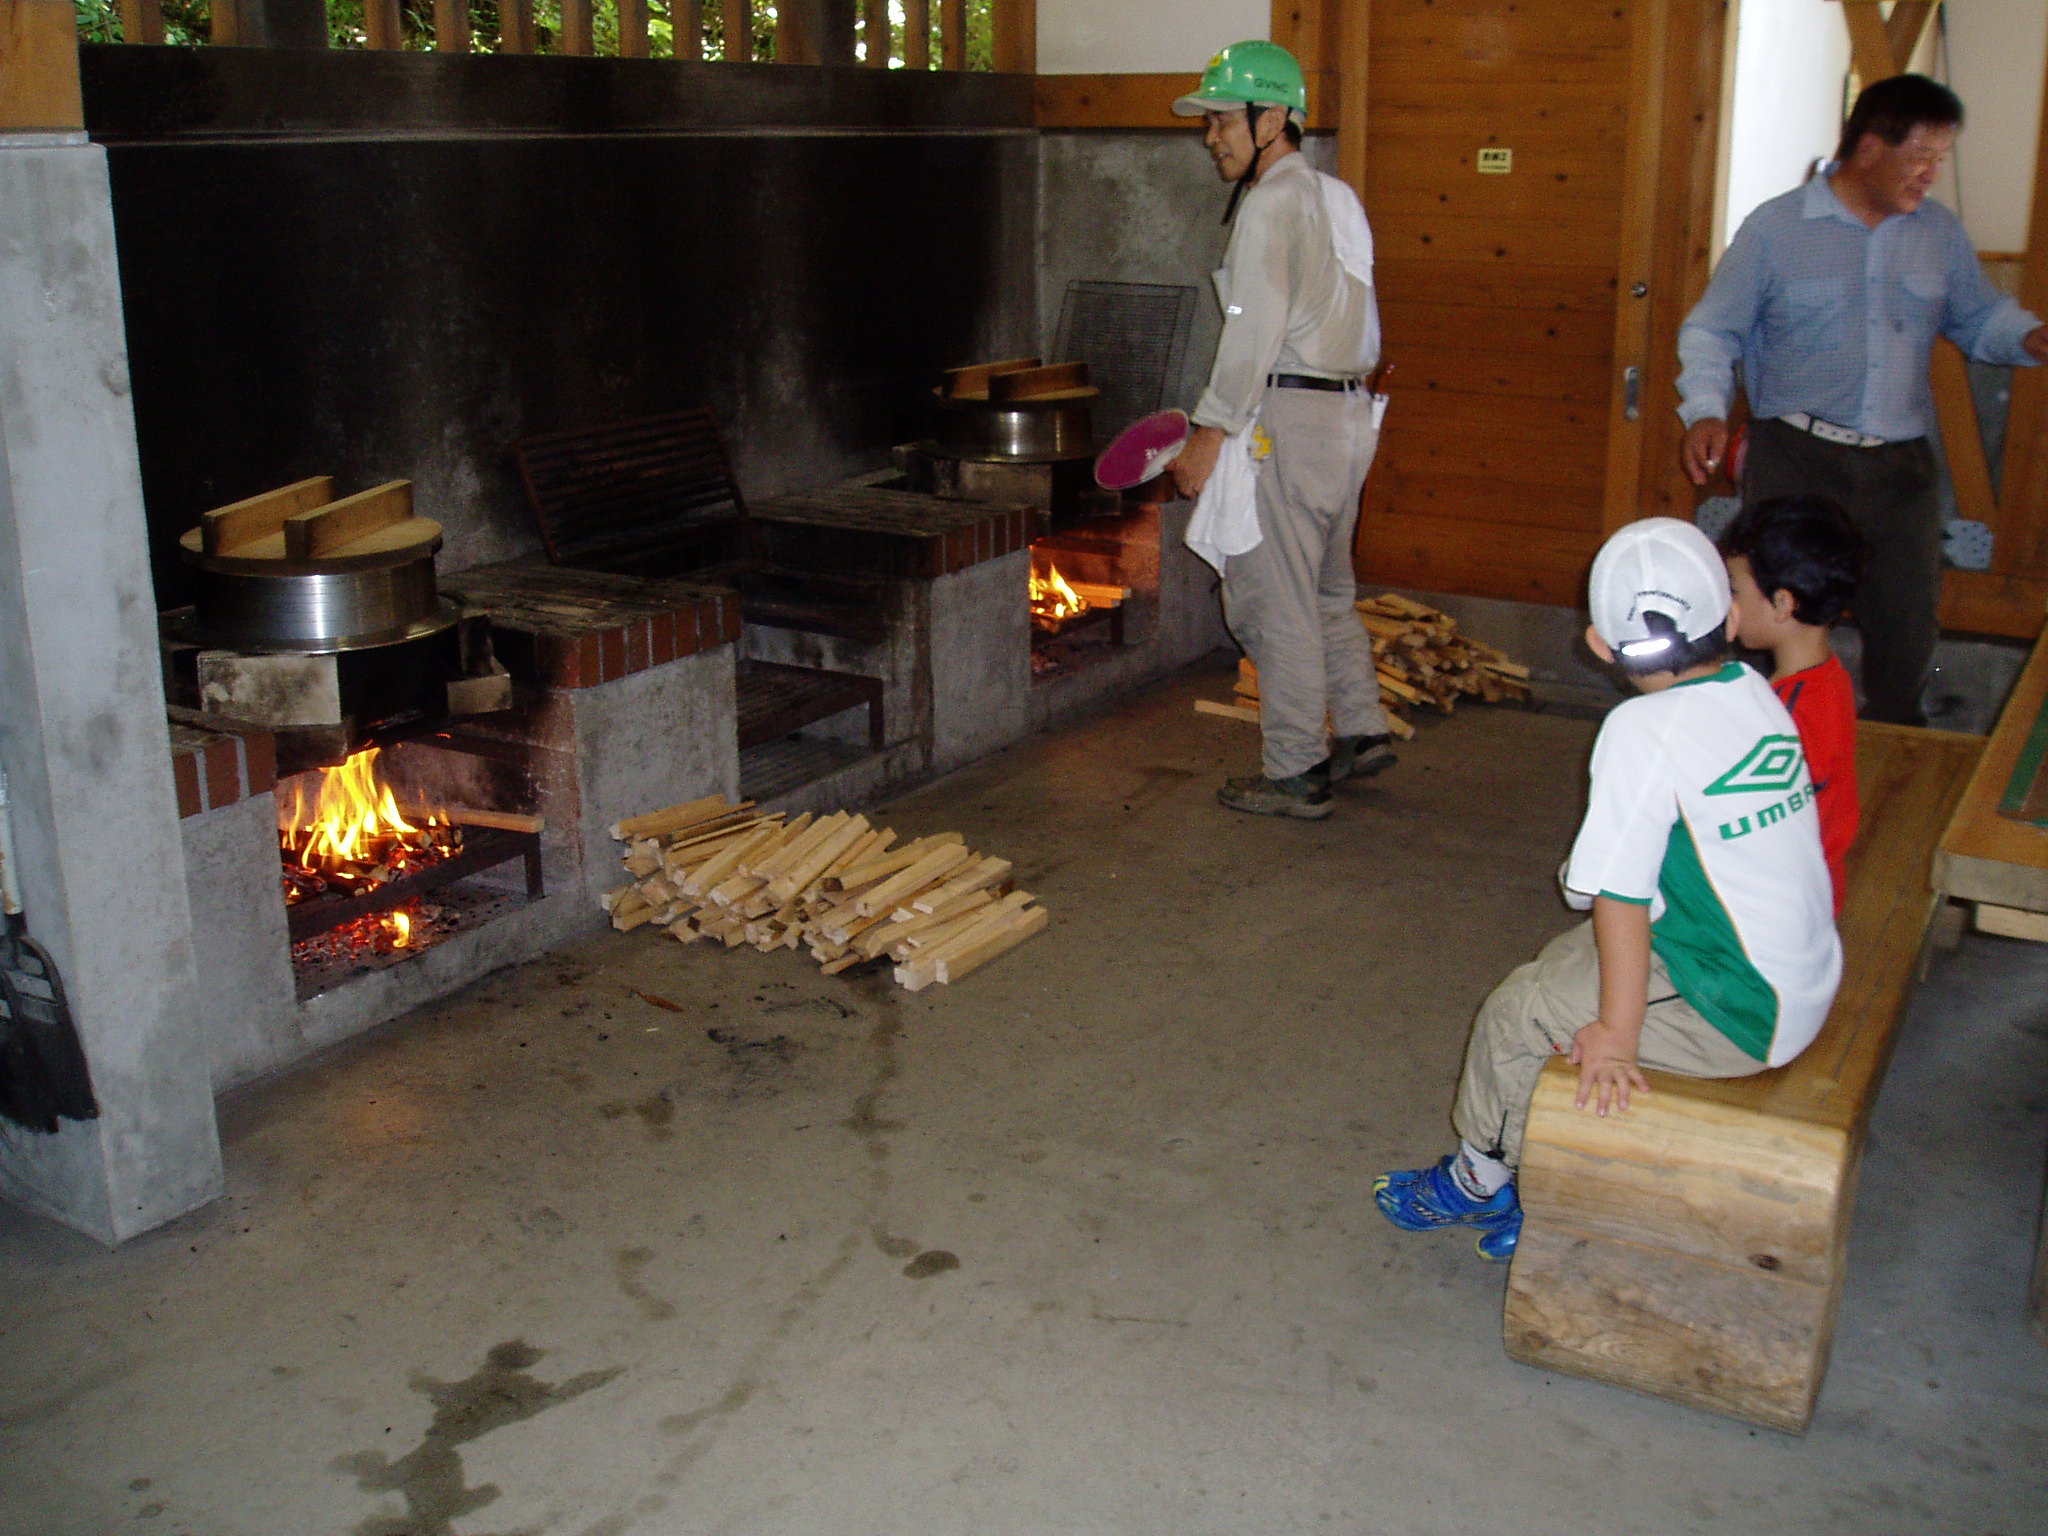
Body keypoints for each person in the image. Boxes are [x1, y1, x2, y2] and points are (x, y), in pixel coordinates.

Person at [1374, 519, 1841, 1260]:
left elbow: (1618, 898)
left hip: (1742, 1006)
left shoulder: (1639, 729)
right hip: (1799, 968)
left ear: (1598, 644)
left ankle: (1489, 1178)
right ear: (1730, 620)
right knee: (1558, 970)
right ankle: (1533, 1159)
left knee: (1519, 1012)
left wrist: (1617, 1036)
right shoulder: (1751, 688)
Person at [1677, 73, 2048, 727]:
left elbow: (1981, 320)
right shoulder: (1777, 229)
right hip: (1796, 457)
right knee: (1777, 607)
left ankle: (1895, 738)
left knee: (1908, 616)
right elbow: (1713, 329)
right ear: (1871, 148)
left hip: (1901, 467)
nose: (1932, 174)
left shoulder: (1938, 233)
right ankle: (1766, 735)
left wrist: (2035, 338)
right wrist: (1705, 409)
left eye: (1941, 158)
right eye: (1922, 156)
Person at [1167, 40, 1395, 821]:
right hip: (1350, 418)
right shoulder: (1336, 198)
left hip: (1291, 421)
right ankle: (1363, 729)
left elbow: (1250, 331)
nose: (1212, 137)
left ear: (1274, 119)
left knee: (1276, 601)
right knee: (1328, 588)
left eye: (1224, 119)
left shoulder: (1271, 204)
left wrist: (1210, 432)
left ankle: (1297, 767)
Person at [1721, 495, 1866, 914]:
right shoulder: (1828, 677)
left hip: (1782, 908)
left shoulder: (1786, 715)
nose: (1725, 601)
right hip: (1813, 890)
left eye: (1733, 589)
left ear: (1783, 604)